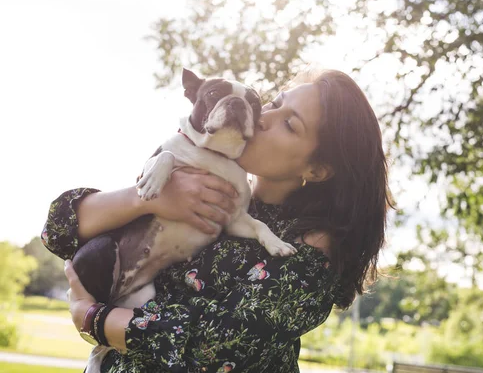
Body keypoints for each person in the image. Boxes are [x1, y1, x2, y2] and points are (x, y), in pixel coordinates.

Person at [42, 69, 393, 372]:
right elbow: (59, 230)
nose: (263, 118)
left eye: (289, 124)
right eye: (274, 103)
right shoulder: (197, 177)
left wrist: (94, 318)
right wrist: (142, 199)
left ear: (315, 170)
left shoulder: (311, 247)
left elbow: (213, 348)